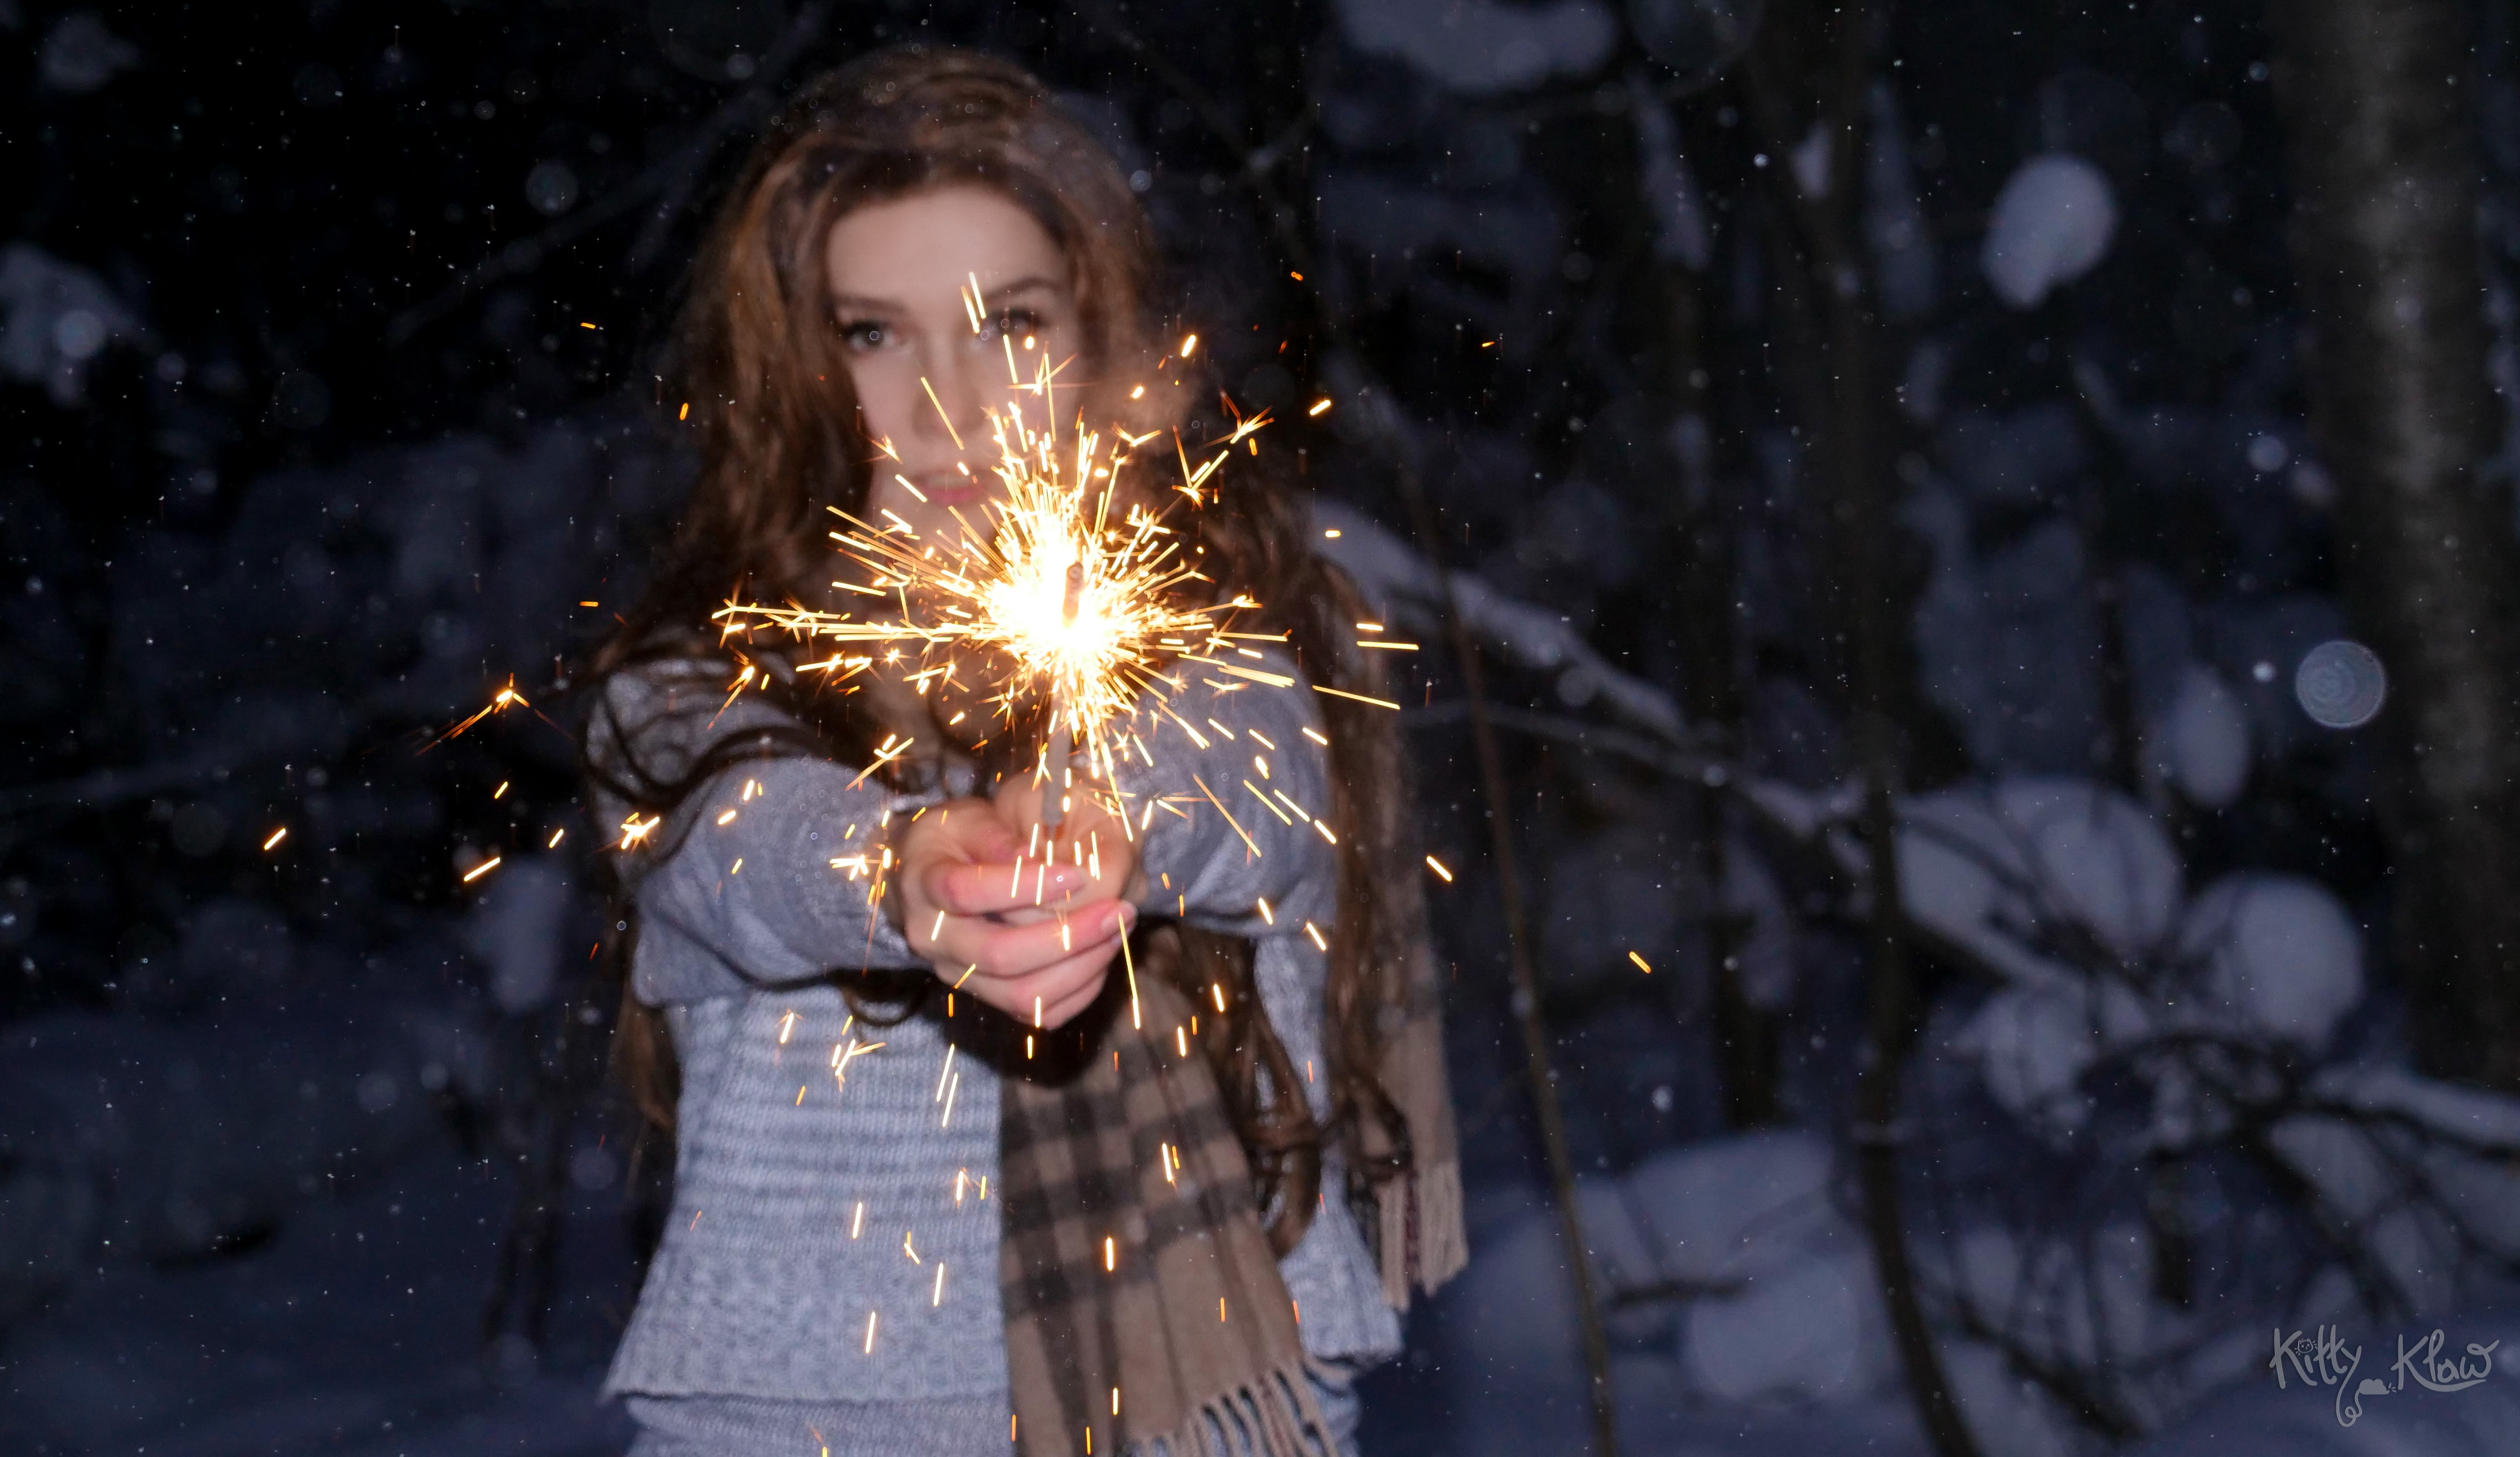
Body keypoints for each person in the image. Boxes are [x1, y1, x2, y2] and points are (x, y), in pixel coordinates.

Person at [579, 46, 1464, 1457]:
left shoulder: (1246, 646)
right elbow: (738, 841)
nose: (948, 400)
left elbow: (1236, 769)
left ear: (1101, 336)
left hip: (1220, 1416)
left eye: (1010, 322)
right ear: (802, 364)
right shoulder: (690, 687)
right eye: (875, 333)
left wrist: (1101, 817)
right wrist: (899, 871)